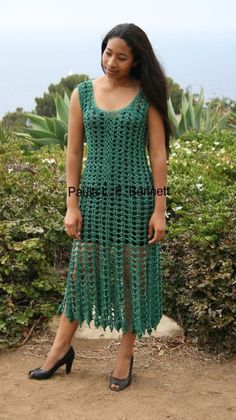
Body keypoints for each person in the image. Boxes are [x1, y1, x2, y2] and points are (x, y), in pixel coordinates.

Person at [28, 22, 171, 391]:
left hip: (136, 200)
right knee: (80, 275)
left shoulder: (146, 94)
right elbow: (73, 152)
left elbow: (158, 155)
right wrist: (71, 203)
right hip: (93, 199)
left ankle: (125, 355)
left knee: (131, 278)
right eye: (108, 52)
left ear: (136, 59)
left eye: (121, 57)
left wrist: (159, 210)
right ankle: (60, 350)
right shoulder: (84, 94)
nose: (111, 61)